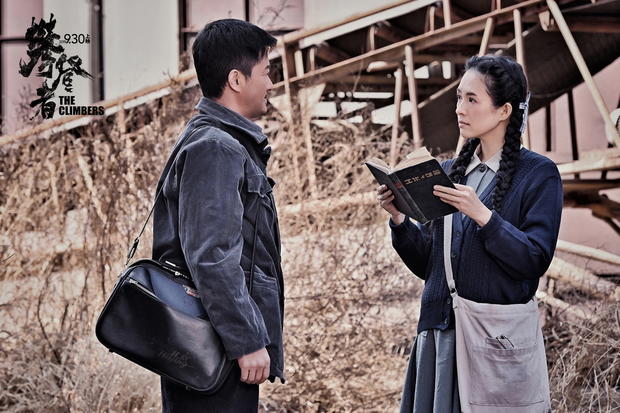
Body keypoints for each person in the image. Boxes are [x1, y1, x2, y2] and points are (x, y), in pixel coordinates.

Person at [376, 55, 562, 412]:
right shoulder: (446, 173)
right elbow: (429, 266)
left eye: (472, 99)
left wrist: (483, 216)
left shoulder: (539, 174)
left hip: (495, 341)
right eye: (459, 97)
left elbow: (534, 260)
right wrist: (399, 220)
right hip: (439, 338)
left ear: (504, 110)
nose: (459, 108)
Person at [151, 19, 284, 413]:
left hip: (212, 343)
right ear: (236, 80)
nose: (271, 83)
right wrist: (246, 341)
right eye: (266, 72)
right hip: (214, 347)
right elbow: (212, 256)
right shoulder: (216, 148)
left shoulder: (219, 142)